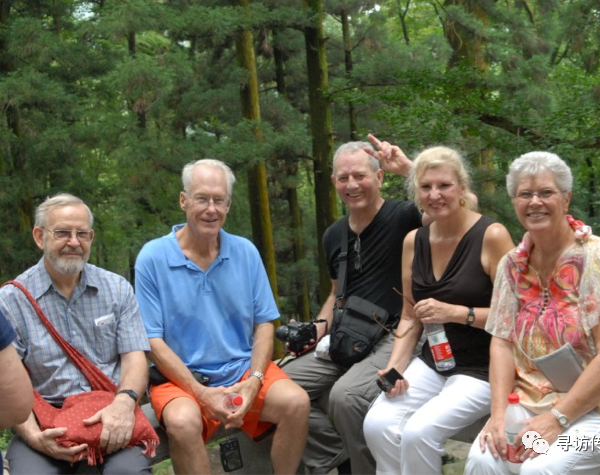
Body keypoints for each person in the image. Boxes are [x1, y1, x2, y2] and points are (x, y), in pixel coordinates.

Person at [465, 151, 600, 474]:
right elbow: (501, 342)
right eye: (525, 194)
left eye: (546, 192)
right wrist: (497, 417)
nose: (535, 202)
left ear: (565, 200)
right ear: (514, 202)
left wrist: (557, 419)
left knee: (540, 469)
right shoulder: (512, 265)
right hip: (534, 399)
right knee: (485, 458)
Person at [133, 158, 310, 475]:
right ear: (184, 200)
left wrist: (254, 382)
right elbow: (151, 341)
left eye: (219, 200)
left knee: (296, 403)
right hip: (181, 379)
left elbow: (264, 325)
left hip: (242, 370)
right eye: (202, 198)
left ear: (228, 204)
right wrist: (200, 394)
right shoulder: (153, 257)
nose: (210, 209)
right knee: (183, 422)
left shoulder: (245, 251)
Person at [363, 146, 514, 475]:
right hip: (436, 361)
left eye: (444, 185)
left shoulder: (492, 235)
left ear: (462, 187)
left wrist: (456, 312)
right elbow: (409, 315)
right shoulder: (413, 241)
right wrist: (395, 369)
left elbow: (518, 318)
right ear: (415, 192)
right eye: (426, 187)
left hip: (485, 368)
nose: (435, 194)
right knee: (376, 424)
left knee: (419, 432)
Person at [282, 135, 425, 475]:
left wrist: (410, 170)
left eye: (360, 175)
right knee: (278, 387)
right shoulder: (334, 235)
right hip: (349, 332)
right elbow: (336, 294)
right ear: (333, 182)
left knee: (344, 397)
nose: (352, 184)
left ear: (379, 177)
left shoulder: (406, 216)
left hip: (398, 331)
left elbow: (464, 211)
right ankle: (337, 456)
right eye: (343, 178)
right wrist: (317, 328)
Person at [0, 193, 152, 474]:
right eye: (62, 233)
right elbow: (6, 385)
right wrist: (35, 438)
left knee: (128, 473)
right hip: (44, 420)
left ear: (91, 238)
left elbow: (134, 358)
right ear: (39, 236)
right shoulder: (11, 300)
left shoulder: (116, 289)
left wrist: (124, 403)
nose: (73, 242)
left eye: (81, 233)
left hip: (109, 410)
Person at [0, 310, 33, 469]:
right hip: (39, 420)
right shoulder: (9, 297)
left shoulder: (116, 289)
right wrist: (34, 435)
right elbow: (15, 408)